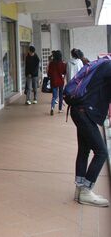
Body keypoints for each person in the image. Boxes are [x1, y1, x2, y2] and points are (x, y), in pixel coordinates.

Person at [70, 59, 111, 207]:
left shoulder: (104, 63)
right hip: (85, 112)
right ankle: (86, 191)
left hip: (79, 109)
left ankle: (80, 189)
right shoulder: (109, 67)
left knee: (84, 150)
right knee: (101, 152)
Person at [47, 50, 66, 115]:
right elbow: (64, 72)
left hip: (53, 81)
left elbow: (49, 73)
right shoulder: (63, 64)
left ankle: (52, 108)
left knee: (54, 96)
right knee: (61, 96)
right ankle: (60, 109)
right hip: (60, 81)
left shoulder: (51, 64)